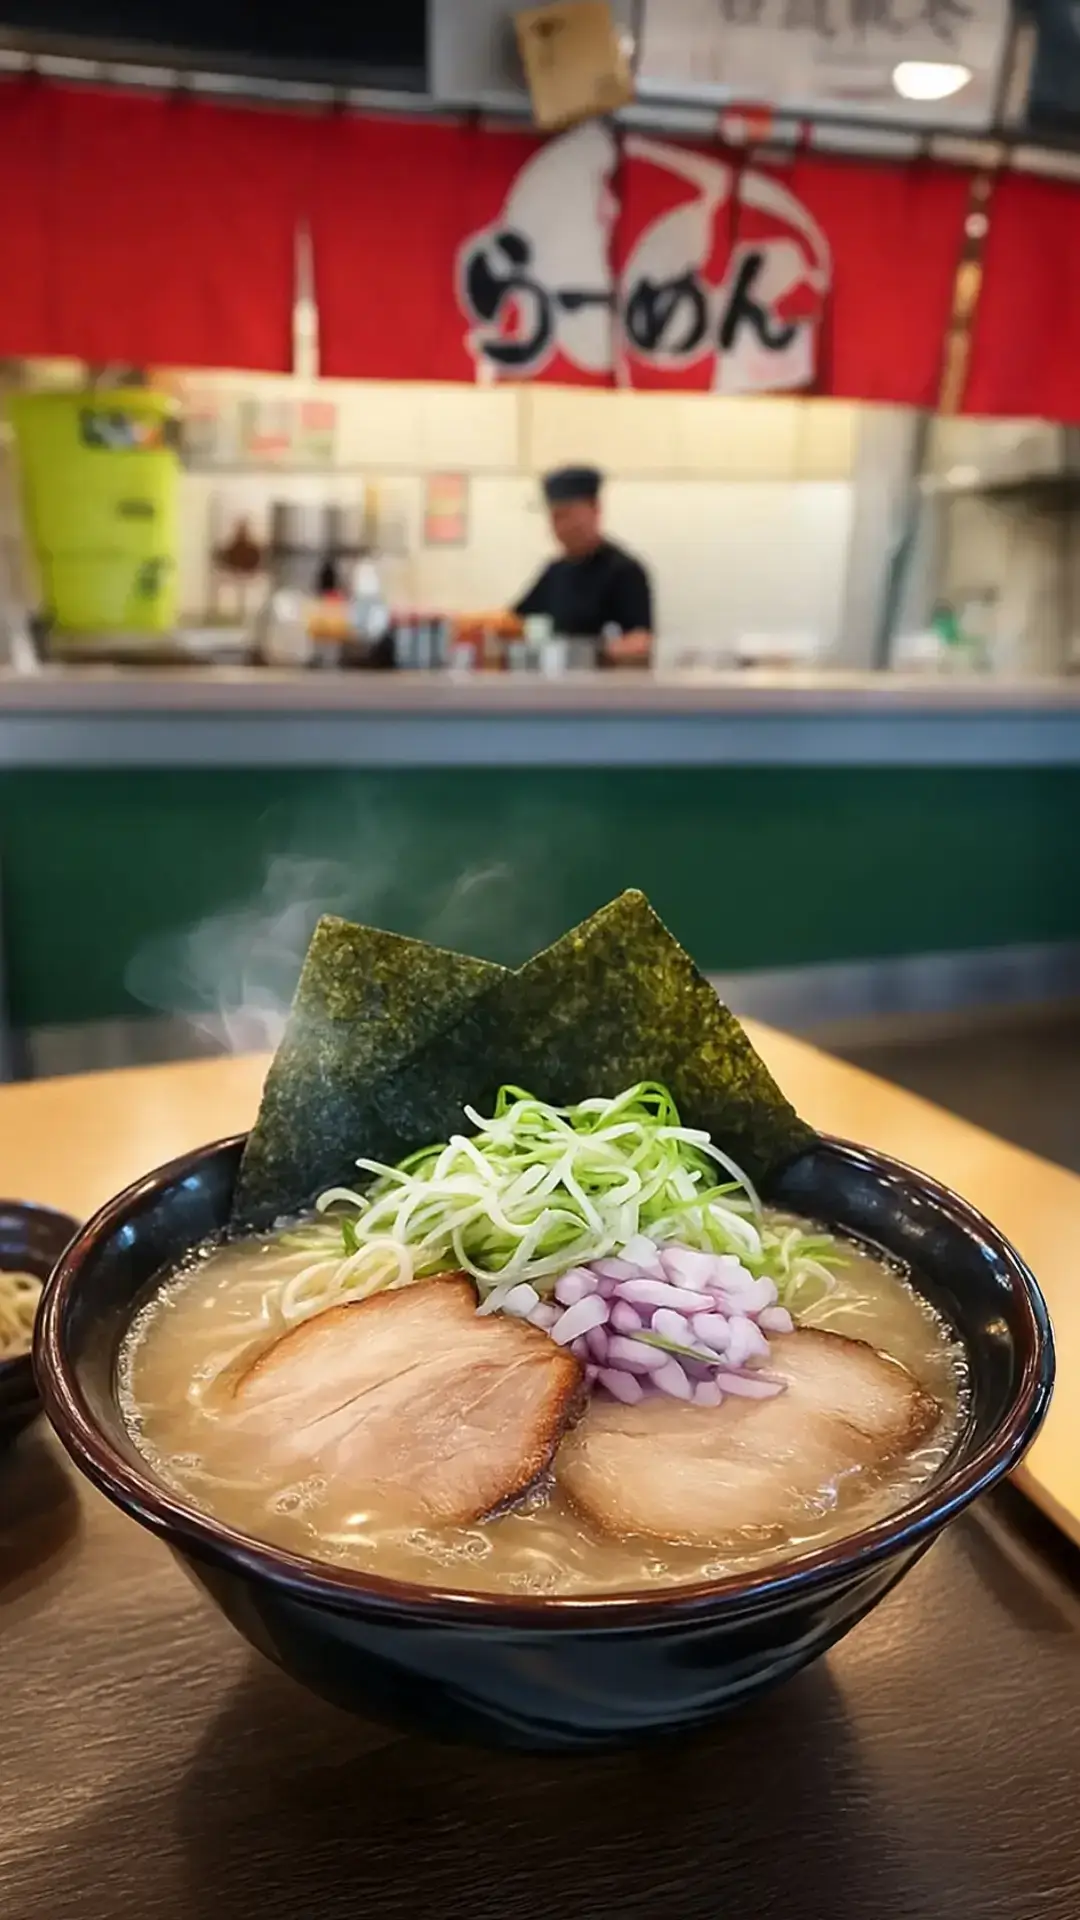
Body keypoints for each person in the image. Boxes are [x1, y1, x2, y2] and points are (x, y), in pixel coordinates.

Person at [512, 466, 654, 665]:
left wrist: (590, 651)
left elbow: (640, 642)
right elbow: (516, 621)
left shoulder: (624, 571)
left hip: (604, 680)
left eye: (569, 515)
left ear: (595, 510)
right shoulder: (556, 570)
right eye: (556, 517)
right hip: (556, 677)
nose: (563, 527)